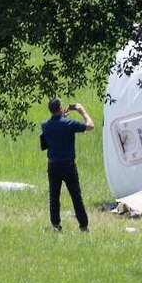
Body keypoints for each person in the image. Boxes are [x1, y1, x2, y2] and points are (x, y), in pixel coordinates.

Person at [40, 98, 95, 232]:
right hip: (67, 165)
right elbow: (90, 126)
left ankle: (55, 224)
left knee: (54, 196)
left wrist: (60, 117)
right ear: (60, 108)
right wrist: (82, 112)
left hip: (53, 165)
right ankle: (83, 225)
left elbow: (54, 126)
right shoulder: (69, 124)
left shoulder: (45, 125)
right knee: (75, 195)